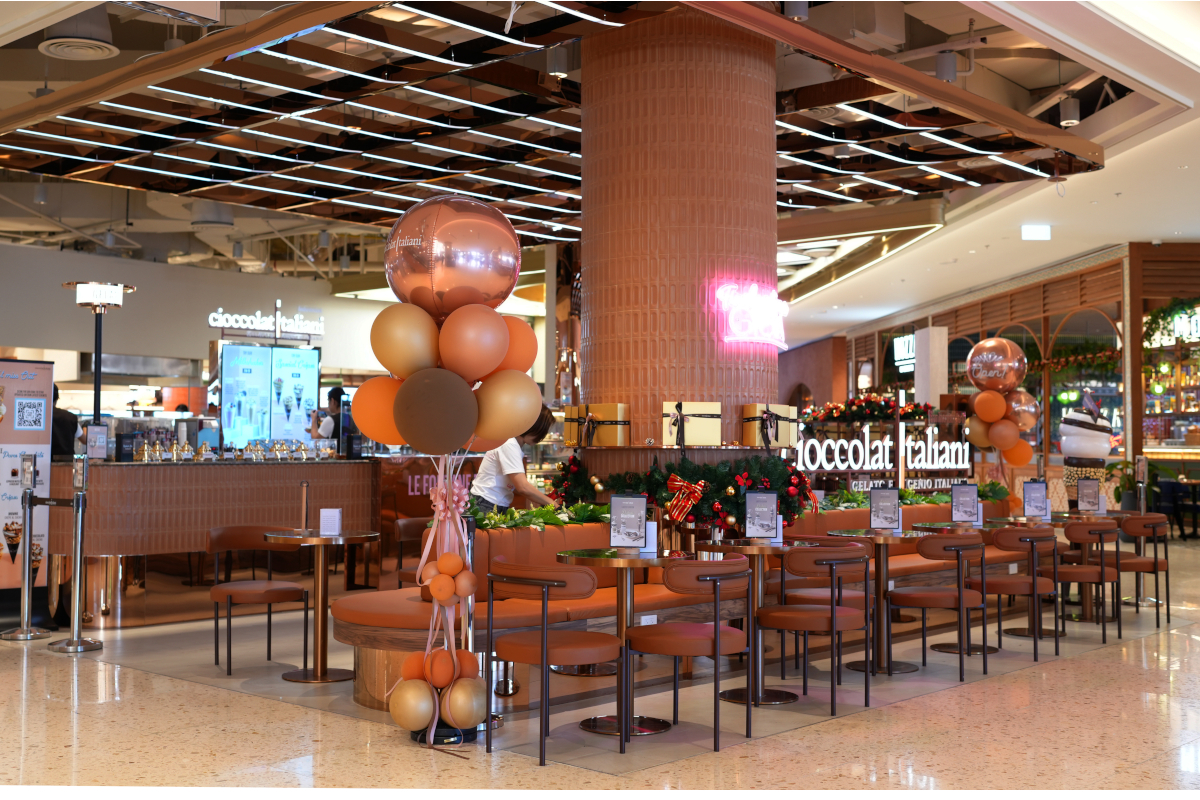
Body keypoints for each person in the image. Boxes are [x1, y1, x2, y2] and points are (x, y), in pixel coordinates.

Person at [470, 405, 557, 514]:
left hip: (488, 502)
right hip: (486, 504)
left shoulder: (511, 442)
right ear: (532, 426)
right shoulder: (509, 443)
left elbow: (517, 485)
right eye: (543, 431)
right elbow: (522, 487)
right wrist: (553, 504)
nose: (543, 436)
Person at [51, 385, 83, 458]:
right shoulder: (70, 417)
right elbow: (85, 440)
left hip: (44, 463)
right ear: (56, 399)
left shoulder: (39, 416)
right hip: (67, 464)